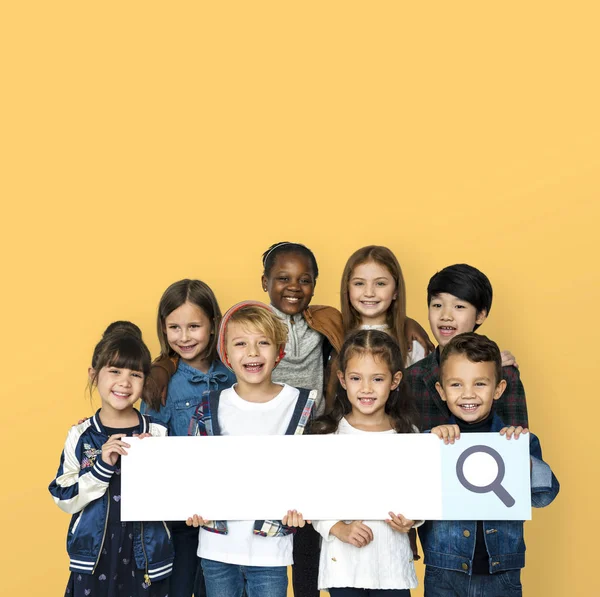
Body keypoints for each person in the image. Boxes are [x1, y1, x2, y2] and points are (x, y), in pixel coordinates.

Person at [186, 301, 314, 597]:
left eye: (263, 343)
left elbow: (310, 471)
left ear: (279, 351)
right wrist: (191, 505)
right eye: (241, 343)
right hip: (217, 547)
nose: (253, 352)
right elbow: (193, 470)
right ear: (227, 354)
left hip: (271, 549)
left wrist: (303, 506)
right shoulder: (210, 405)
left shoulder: (301, 404)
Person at [419, 333, 559, 596]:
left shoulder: (517, 440)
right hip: (444, 571)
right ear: (441, 391)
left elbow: (545, 495)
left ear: (498, 389)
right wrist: (429, 442)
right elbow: (410, 493)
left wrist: (520, 458)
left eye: (480, 384)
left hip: (502, 573)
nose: (468, 394)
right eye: (456, 385)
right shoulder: (432, 441)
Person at [49, 325, 173, 597]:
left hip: (147, 560)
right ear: (94, 375)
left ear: (145, 380)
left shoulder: (158, 432)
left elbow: (177, 496)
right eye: (115, 371)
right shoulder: (81, 435)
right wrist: (101, 468)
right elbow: (63, 496)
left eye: (135, 374)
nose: (125, 382)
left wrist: (157, 464)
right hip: (93, 560)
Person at [142, 279, 235, 597]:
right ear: (163, 328)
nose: (184, 337)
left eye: (194, 326)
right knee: (181, 586)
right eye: (174, 327)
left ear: (213, 325)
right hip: (182, 517)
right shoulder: (162, 383)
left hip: (231, 513)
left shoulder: (234, 375)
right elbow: (149, 444)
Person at [310, 329, 421, 596]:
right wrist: (338, 527)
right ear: (342, 380)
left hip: (392, 566)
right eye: (356, 378)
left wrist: (412, 520)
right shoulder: (328, 435)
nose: (367, 388)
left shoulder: (410, 436)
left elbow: (420, 493)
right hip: (344, 565)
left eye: (378, 379)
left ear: (395, 381)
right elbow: (313, 495)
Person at [405, 264, 528, 430]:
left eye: (459, 307)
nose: (446, 316)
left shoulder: (504, 373)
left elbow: (518, 444)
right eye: (437, 305)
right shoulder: (411, 378)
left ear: (480, 315)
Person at [340, 245, 434, 367]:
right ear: (347, 288)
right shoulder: (333, 333)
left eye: (380, 283)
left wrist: (406, 323)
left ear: (396, 291)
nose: (369, 293)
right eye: (359, 283)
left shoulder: (412, 343)